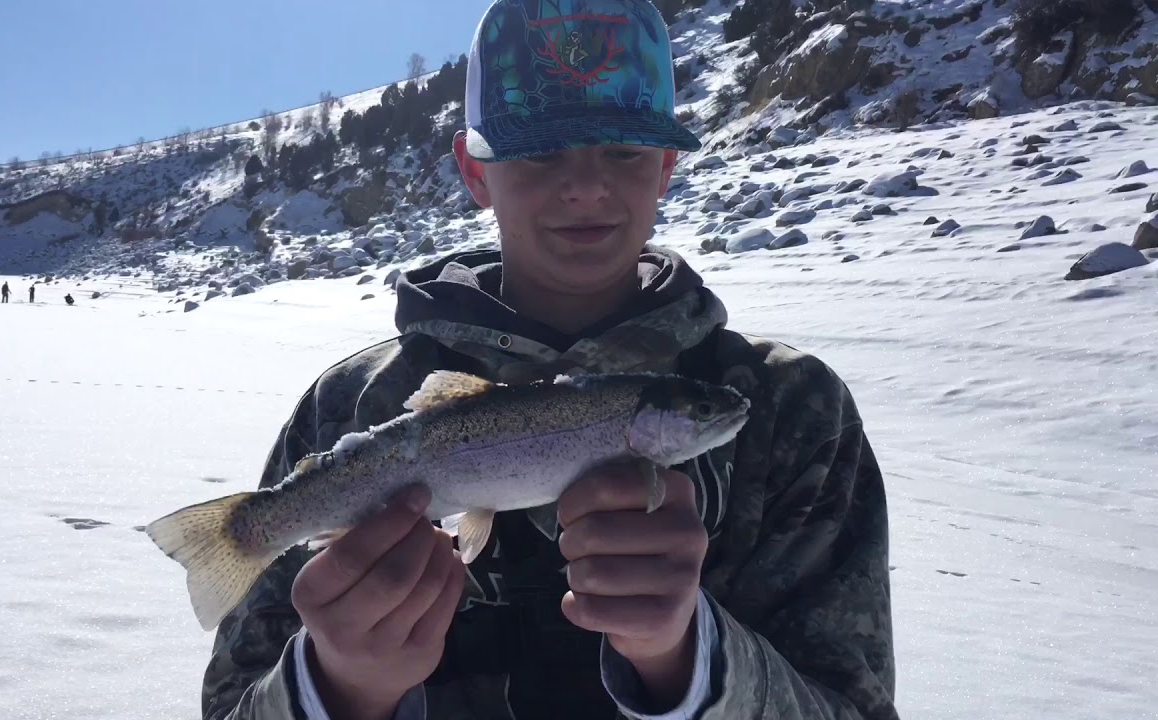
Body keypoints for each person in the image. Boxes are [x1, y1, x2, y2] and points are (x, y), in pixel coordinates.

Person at [200, 1, 897, 719]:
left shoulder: (796, 410)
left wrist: (691, 656)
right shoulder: (348, 405)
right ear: (476, 173)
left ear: (664, 166)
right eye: (541, 151)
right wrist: (334, 684)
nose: (587, 186)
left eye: (623, 149)